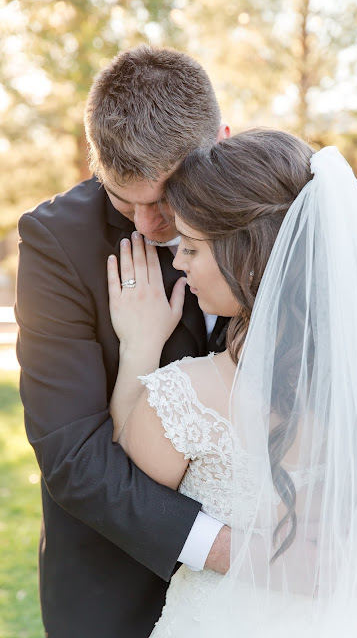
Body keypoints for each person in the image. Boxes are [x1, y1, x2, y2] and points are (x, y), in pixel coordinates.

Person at [108, 129, 357, 637]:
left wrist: (139, 346)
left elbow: (122, 482)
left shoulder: (189, 395)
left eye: (191, 246)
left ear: (250, 258)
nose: (177, 261)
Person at [15, 45, 231, 638]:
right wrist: (227, 549)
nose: (144, 226)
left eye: (162, 201)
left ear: (222, 140)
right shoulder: (54, 243)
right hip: (113, 587)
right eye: (120, 198)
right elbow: (71, 455)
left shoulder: (270, 211)